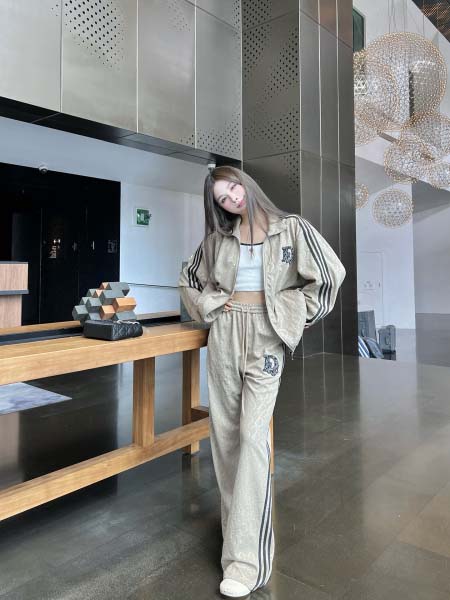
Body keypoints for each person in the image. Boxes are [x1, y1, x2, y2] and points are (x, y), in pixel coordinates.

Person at [179, 166, 346, 597]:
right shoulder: (219, 240)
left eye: (233, 188)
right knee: (225, 440)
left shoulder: (291, 229)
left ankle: (244, 563)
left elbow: (330, 275)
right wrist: (208, 306)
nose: (232, 199)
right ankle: (239, 533)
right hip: (225, 334)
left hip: (266, 337)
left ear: (245, 183)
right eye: (222, 198)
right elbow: (189, 279)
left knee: (253, 438)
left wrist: (295, 313)